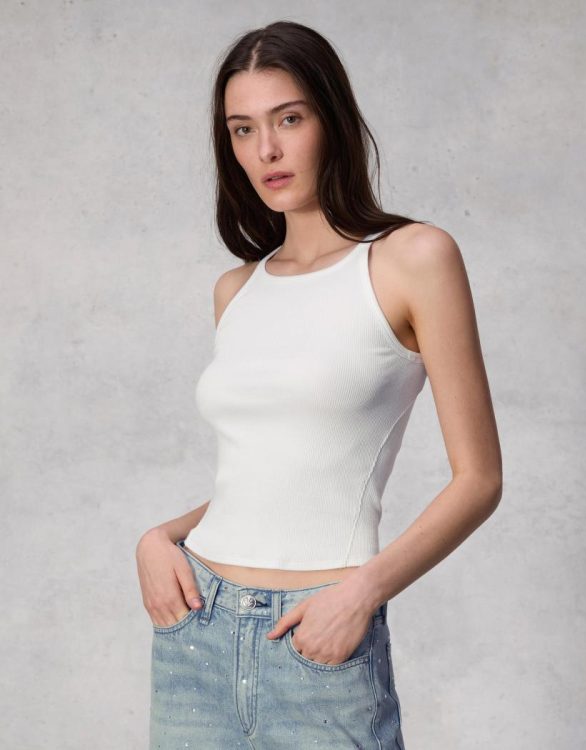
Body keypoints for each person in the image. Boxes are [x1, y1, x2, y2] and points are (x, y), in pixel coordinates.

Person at [136, 20, 503, 749]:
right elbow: (272, 471)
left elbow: (480, 479)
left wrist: (363, 593)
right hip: (194, 632)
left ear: (331, 120)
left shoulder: (413, 259)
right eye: (242, 130)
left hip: (317, 638)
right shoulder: (236, 290)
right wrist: (160, 537)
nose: (265, 151)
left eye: (289, 119)